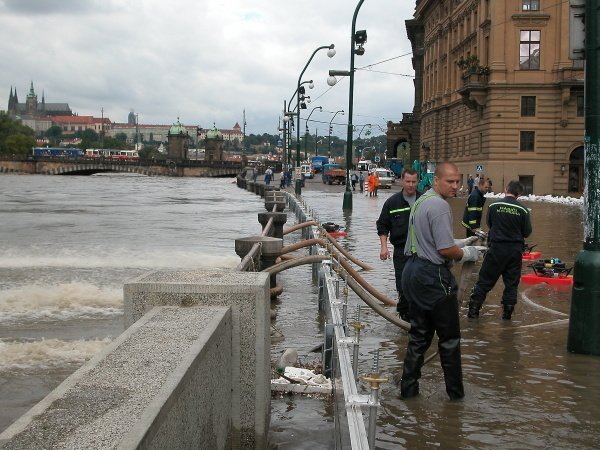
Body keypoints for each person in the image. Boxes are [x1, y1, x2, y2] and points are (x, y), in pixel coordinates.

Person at [400, 162, 485, 400]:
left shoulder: (421, 201)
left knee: (419, 336)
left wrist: (461, 242)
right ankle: (456, 400)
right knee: (449, 340)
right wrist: (468, 253)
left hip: (413, 272)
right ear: (435, 180)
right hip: (432, 276)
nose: (455, 186)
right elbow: (445, 250)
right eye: (450, 181)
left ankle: (408, 392)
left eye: (458, 181)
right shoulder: (439, 206)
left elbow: (430, 240)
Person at [468, 180, 532, 320]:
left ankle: (473, 313)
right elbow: (527, 232)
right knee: (511, 285)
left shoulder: (494, 205)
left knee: (484, 282)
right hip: (514, 252)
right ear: (519, 194)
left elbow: (489, 223)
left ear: (506, 189)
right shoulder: (523, 210)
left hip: (496, 249)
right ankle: (507, 316)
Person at [376, 168, 422, 322]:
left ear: (418, 182)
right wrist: (384, 247)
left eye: (413, 182)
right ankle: (405, 320)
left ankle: (418, 321)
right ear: (402, 181)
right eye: (408, 181)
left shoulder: (424, 201)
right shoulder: (392, 202)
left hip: (422, 252)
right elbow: (382, 225)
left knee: (421, 286)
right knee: (403, 287)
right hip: (401, 252)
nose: (410, 185)